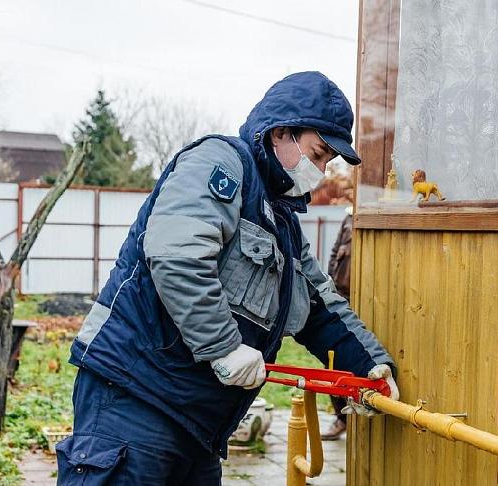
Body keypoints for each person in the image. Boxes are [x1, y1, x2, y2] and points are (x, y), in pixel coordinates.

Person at [58, 71, 399, 485]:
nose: (323, 170)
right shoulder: (218, 162)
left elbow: (318, 304)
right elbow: (177, 257)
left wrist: (370, 366)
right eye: (319, 152)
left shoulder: (282, 220)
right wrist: (224, 348)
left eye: (327, 161)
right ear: (281, 134)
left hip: (196, 423)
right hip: (134, 399)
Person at [321, 209, 354, 441]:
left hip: (366, 296)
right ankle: (341, 417)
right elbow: (335, 252)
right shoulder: (349, 217)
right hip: (342, 296)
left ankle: (355, 419)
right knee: (331, 361)